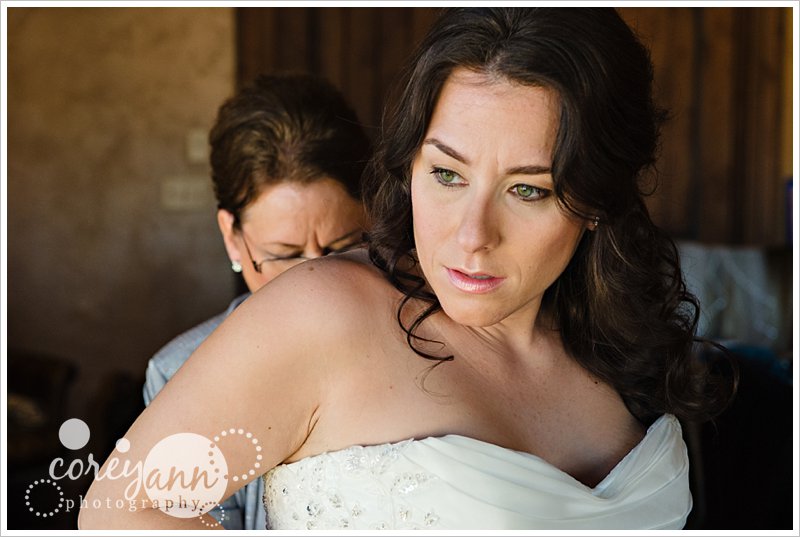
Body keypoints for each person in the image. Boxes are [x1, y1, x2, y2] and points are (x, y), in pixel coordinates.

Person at [80, 8, 735, 530]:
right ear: (410, 165)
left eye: (528, 189)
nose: (472, 237)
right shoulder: (322, 314)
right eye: (447, 174)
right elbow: (119, 510)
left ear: (594, 201)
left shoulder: (621, 349)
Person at [140, 72, 371, 530]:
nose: (315, 281)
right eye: (284, 256)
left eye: (343, 246)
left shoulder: (425, 337)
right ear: (232, 237)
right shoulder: (178, 371)